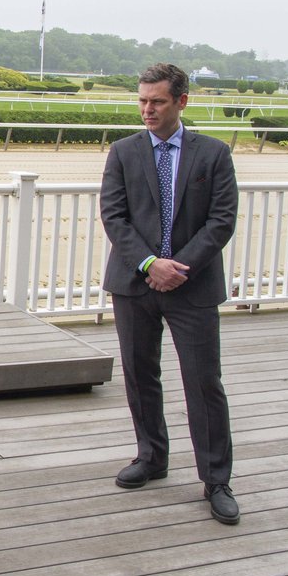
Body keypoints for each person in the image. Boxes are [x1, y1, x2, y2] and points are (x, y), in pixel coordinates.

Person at [100, 62, 240, 525]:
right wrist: (148, 263)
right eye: (142, 100)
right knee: (140, 376)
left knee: (204, 383)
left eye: (157, 101)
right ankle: (152, 457)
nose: (147, 109)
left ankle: (216, 480)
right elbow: (114, 216)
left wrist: (178, 267)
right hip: (134, 283)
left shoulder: (214, 153)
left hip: (192, 285)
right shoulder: (122, 152)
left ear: (182, 101)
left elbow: (221, 220)